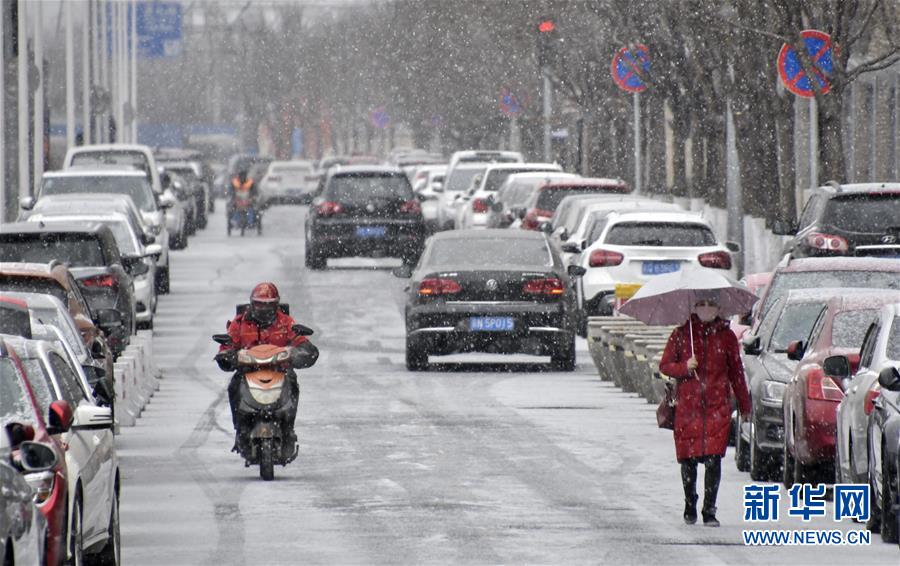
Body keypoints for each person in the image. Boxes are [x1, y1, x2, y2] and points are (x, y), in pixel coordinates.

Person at [659, 291, 751, 527]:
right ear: (694, 307)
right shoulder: (682, 335)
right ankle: (690, 503)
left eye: (711, 304)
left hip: (716, 407)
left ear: (719, 309)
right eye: (702, 304)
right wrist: (684, 367)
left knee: (713, 459)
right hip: (688, 408)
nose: (707, 308)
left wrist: (744, 404)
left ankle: (709, 509)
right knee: (688, 460)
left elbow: (737, 374)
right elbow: (666, 365)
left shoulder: (727, 337)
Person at [214, 282, 318, 450]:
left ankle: (288, 428)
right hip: (247, 372)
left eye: (268, 305)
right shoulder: (239, 323)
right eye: (259, 305)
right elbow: (228, 343)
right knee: (234, 386)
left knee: (292, 383)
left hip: (280, 371)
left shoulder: (285, 322)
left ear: (276, 305)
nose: (263, 309)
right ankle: (240, 429)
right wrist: (227, 355)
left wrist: (302, 351)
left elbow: (300, 341)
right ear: (251, 304)